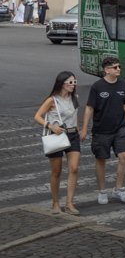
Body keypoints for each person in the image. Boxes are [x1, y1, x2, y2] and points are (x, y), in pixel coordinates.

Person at [80, 56, 125, 205]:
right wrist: (84, 128)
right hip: (101, 130)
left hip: (120, 128)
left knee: (124, 156)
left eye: (119, 67)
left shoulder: (123, 85)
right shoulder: (97, 87)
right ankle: (102, 191)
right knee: (101, 159)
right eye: (115, 67)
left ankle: (119, 189)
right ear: (106, 70)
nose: (118, 69)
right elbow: (89, 108)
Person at [34, 71, 82, 215]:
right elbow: (37, 116)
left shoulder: (75, 98)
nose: (73, 85)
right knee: (56, 171)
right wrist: (50, 126)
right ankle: (55, 202)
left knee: (74, 168)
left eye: (74, 82)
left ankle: (69, 203)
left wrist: (79, 130)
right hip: (57, 135)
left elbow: (75, 116)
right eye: (70, 82)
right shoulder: (52, 100)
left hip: (73, 135)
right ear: (62, 83)